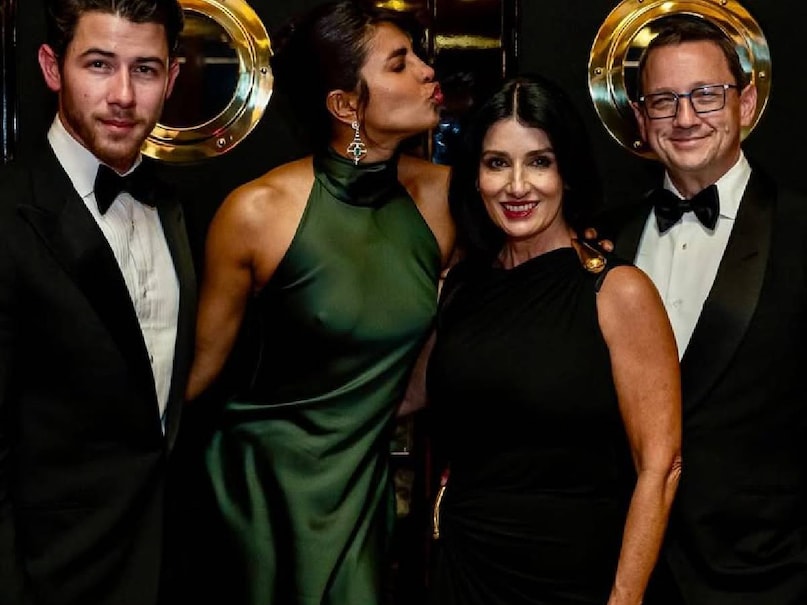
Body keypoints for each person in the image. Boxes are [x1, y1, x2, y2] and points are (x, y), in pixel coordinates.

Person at [181, 1, 454, 603]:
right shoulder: (256, 212)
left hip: (360, 483)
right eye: (400, 63)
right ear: (346, 106)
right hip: (258, 490)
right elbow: (197, 378)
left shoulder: (445, 200)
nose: (427, 71)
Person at [424, 74, 682, 605]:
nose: (517, 186)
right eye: (497, 163)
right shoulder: (461, 287)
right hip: (464, 568)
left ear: (567, 171)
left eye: (539, 162)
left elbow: (660, 466)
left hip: (572, 579)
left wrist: (625, 598)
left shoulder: (616, 291)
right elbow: (401, 395)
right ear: (474, 176)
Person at [0, 1, 195, 604]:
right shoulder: (8, 214)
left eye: (145, 70)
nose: (123, 95)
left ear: (172, 78)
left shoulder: (175, 207)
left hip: (165, 565)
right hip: (49, 575)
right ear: (51, 68)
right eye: (99, 64)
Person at [609, 14, 807, 604]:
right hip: (622, 570)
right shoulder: (602, 241)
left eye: (706, 95)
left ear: (745, 104)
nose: (686, 117)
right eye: (664, 101)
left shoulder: (800, 230)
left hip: (770, 577)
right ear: (641, 119)